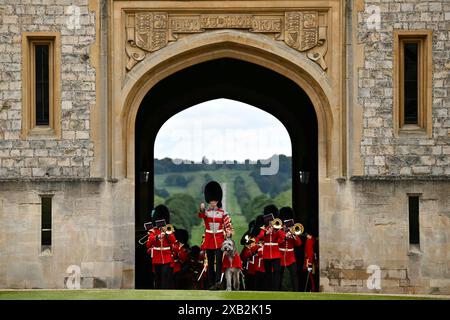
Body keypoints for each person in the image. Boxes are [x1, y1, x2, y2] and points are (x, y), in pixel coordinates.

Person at [198, 181, 233, 290]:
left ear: (217, 201)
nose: (213, 203)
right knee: (209, 263)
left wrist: (228, 233)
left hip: (219, 240)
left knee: (218, 263)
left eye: (214, 201)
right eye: (211, 201)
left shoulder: (223, 213)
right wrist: (202, 209)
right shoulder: (206, 213)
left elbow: (228, 224)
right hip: (209, 240)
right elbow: (201, 215)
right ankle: (211, 283)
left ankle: (218, 282)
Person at [146, 204, 177, 289]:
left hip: (166, 257)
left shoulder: (168, 228)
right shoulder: (153, 230)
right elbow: (148, 244)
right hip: (156, 257)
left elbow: (173, 241)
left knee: (165, 276)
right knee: (157, 277)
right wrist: (156, 237)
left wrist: (166, 232)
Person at [256, 212, 285, 291]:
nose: (271, 223)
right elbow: (260, 237)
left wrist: (278, 230)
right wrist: (267, 232)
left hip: (276, 254)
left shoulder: (277, 229)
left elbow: (282, 238)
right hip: (267, 253)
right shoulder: (264, 228)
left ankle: (276, 288)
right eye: (270, 221)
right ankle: (269, 288)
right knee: (268, 273)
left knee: (277, 272)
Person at [278, 207, 302, 291]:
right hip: (281, 256)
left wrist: (293, 235)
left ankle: (296, 292)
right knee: (279, 276)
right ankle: (277, 292)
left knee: (294, 275)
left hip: (291, 257)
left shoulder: (293, 231)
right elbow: (278, 242)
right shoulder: (280, 231)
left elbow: (299, 244)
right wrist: (285, 236)